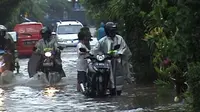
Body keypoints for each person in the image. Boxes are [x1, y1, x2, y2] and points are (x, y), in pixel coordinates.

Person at [90, 22, 132, 95]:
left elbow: (124, 48)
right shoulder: (102, 41)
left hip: (117, 61)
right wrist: (92, 54)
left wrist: (118, 53)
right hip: (106, 62)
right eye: (111, 31)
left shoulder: (119, 38)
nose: (113, 32)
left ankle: (118, 91)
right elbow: (95, 49)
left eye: (114, 30)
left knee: (119, 77)